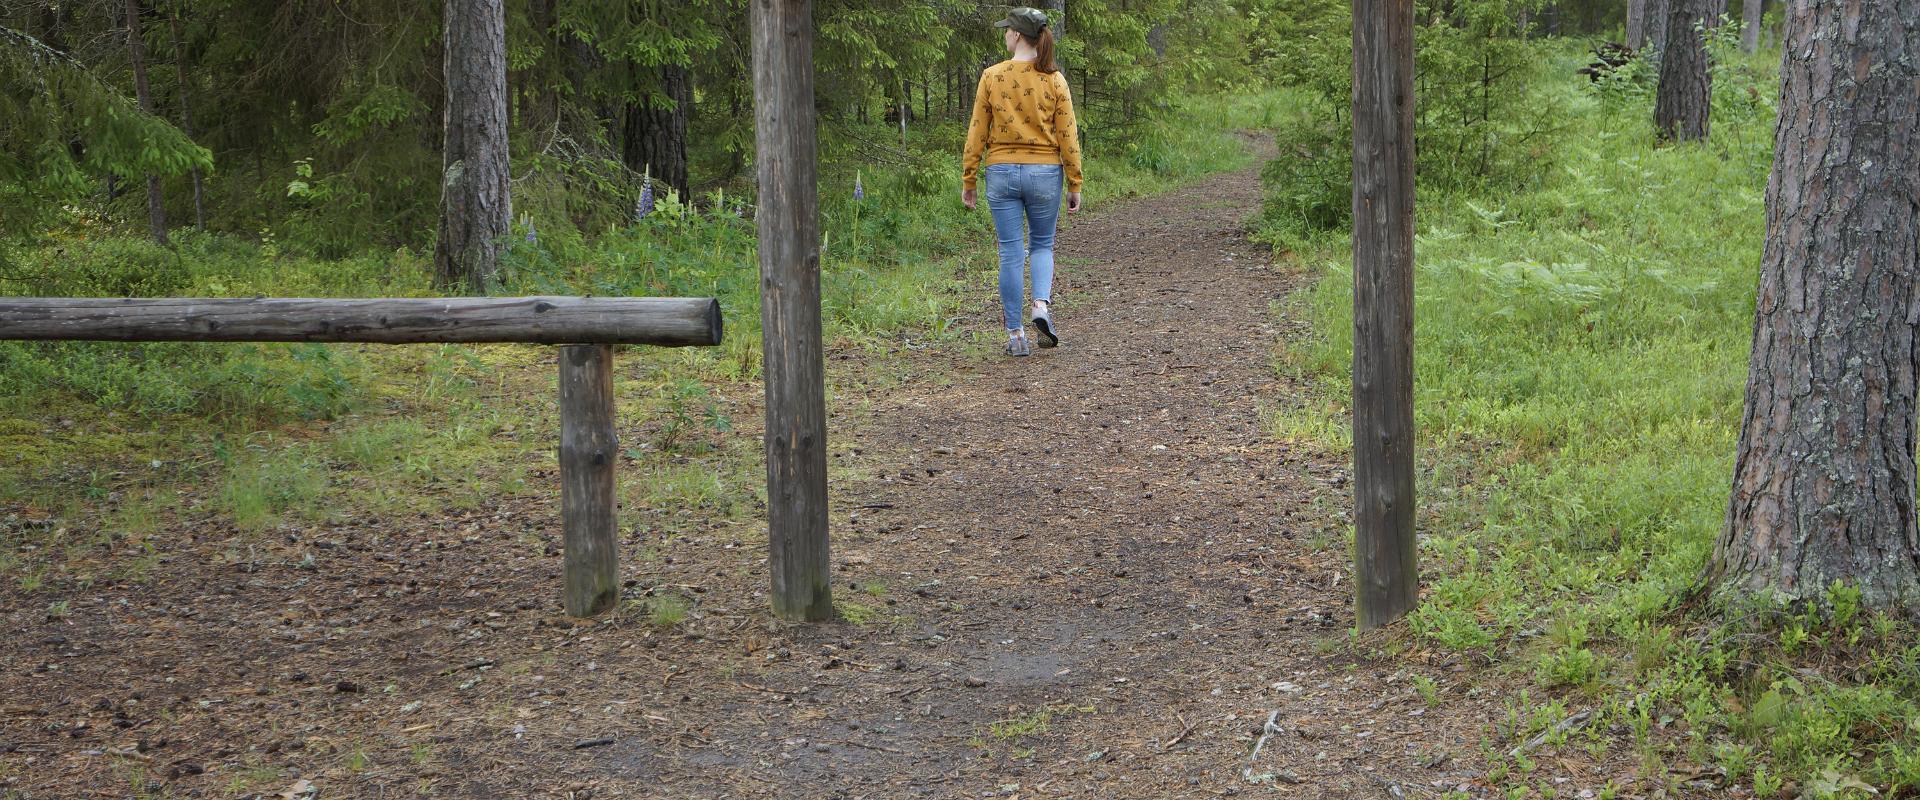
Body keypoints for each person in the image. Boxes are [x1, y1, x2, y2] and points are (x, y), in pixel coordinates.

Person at [961, 6, 1083, 357]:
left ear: (1016, 35)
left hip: (1001, 172)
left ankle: (1016, 335)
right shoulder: (1054, 78)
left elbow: (977, 131)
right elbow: (1068, 135)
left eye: (1006, 30)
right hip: (1045, 174)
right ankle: (1041, 306)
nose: (1004, 35)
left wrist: (969, 177)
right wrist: (1074, 182)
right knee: (1042, 245)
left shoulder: (992, 76)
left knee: (1011, 253)